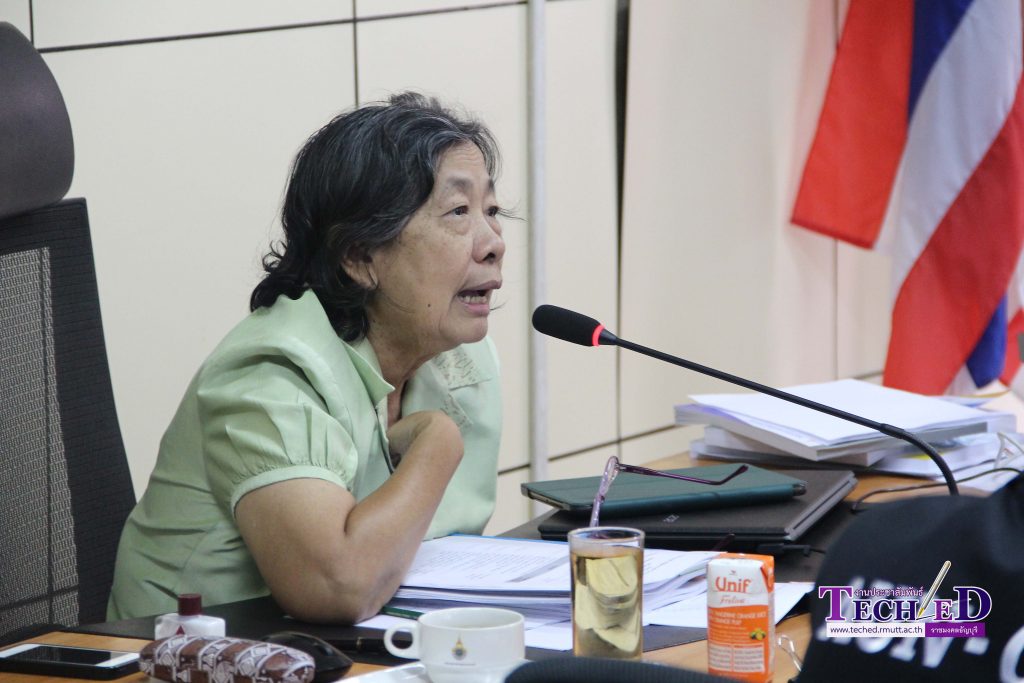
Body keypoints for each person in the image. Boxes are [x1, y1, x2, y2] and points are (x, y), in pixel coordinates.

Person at [108, 93, 507, 624]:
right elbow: (337, 588)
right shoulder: (272, 374)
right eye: (459, 212)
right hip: (185, 656)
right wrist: (438, 441)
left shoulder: (459, 362)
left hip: (360, 650)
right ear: (360, 257)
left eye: (492, 211)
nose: (493, 243)